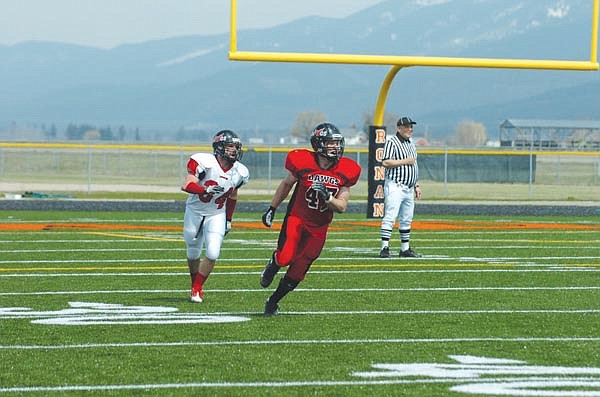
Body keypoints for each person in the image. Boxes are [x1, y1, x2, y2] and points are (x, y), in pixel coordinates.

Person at [260, 122, 361, 315]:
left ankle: (273, 301)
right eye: (330, 143)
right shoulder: (302, 160)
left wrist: (328, 197)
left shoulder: (346, 169)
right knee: (285, 257)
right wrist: (272, 208)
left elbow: (341, 207)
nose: (335, 147)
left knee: (298, 271)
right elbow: (286, 184)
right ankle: (274, 263)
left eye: (337, 143)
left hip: (319, 227)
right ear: (318, 144)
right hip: (297, 218)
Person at [181, 130, 249, 303]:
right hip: (195, 211)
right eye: (230, 146)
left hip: (216, 213)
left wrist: (228, 219)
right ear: (219, 148)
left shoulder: (240, 172)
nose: (234, 150)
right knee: (193, 251)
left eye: (236, 147)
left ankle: (198, 288)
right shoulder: (205, 162)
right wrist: (204, 189)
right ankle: (193, 284)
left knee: (213, 252)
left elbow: (233, 195)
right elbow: (186, 184)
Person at [379, 116, 423, 258]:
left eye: (411, 127)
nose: (410, 129)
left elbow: (414, 165)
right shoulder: (392, 142)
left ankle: (405, 249)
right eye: (407, 127)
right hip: (395, 185)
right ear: (399, 128)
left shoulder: (411, 143)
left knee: (406, 218)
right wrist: (405, 161)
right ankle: (384, 248)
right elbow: (385, 162)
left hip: (409, 187)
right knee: (390, 216)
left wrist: (416, 184)